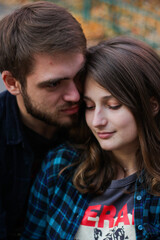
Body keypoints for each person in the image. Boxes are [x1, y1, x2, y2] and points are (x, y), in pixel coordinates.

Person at [21, 36, 160, 240]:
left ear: (151, 106)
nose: (96, 121)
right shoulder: (61, 167)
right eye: (89, 106)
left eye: (113, 105)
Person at [0, 1, 86, 239]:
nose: (75, 95)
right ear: (12, 83)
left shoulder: (101, 119)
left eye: (79, 76)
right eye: (54, 83)